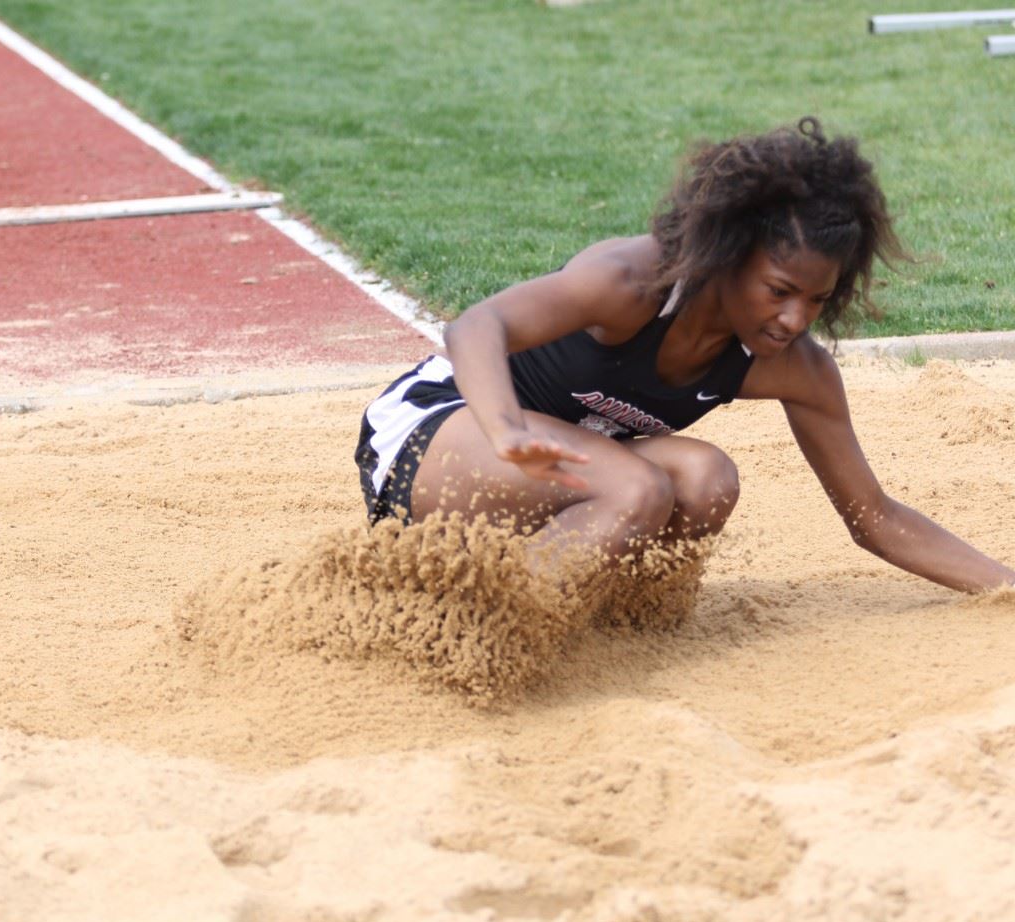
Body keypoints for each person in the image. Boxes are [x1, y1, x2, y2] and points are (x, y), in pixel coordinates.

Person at [356, 117, 1015, 593]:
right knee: (637, 487)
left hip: (559, 477)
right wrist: (506, 428)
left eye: (817, 299)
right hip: (437, 433)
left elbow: (875, 518)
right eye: (779, 290)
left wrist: (1005, 584)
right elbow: (476, 326)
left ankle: (615, 628)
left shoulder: (794, 366)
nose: (794, 318)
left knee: (708, 480)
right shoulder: (633, 282)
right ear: (729, 253)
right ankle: (477, 636)